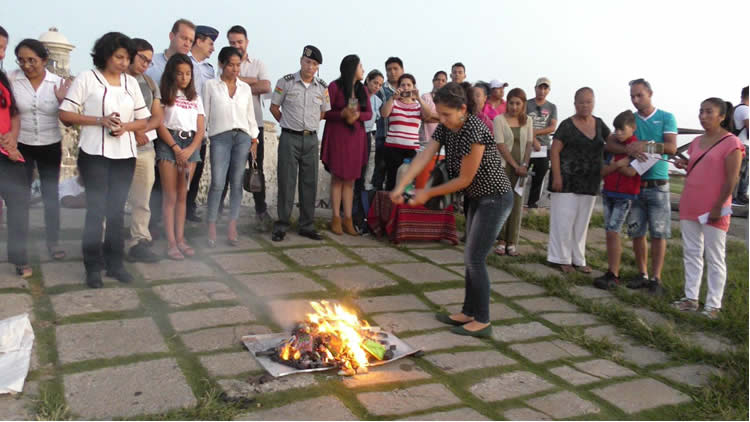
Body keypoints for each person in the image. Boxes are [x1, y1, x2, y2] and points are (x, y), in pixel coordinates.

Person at [390, 82, 513, 337]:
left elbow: (464, 179)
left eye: (446, 114)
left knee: (475, 258)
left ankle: (483, 320)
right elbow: (424, 156)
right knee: (470, 256)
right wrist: (402, 184)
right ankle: (468, 312)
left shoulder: (475, 129)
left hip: (496, 198)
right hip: (477, 198)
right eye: (440, 113)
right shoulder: (448, 128)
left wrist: (427, 193)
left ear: (463, 109)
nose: (442, 119)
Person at [58, 32, 150, 288]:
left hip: (125, 154)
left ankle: (115, 263)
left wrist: (127, 127)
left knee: (117, 210)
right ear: (105, 54)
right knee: (96, 210)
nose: (123, 62)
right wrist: (100, 120)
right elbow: (65, 113)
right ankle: (92, 265)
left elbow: (144, 119)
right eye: (118, 57)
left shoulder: (131, 83)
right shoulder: (88, 78)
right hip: (94, 153)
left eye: (126, 58)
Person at [672, 98, 743, 319]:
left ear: (722, 116)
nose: (703, 116)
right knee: (692, 253)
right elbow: (699, 165)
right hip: (690, 202)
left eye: (709, 112)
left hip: (714, 207)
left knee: (714, 256)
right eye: (701, 111)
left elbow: (732, 178)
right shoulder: (696, 141)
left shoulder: (731, 143)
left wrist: (718, 205)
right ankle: (690, 298)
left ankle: (713, 304)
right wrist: (685, 164)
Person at [606, 79, 677, 295]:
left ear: (650, 94)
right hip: (634, 184)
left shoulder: (666, 117)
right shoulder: (630, 119)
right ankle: (642, 273)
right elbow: (609, 143)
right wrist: (628, 149)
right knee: (637, 231)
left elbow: (672, 147)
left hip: (658, 183)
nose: (636, 100)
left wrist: (645, 145)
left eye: (640, 95)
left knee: (658, 233)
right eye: (632, 96)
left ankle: (656, 278)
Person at [10, 38, 69, 260]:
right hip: (21, 144)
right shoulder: (12, 79)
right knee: (20, 196)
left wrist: (64, 102)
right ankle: (19, 244)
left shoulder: (57, 83)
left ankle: (53, 241)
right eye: (21, 60)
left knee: (50, 195)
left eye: (32, 60)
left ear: (44, 60)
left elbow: (69, 120)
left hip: (49, 144)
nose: (26, 65)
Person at [269, 45, 330, 242]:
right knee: (286, 181)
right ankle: (282, 224)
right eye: (307, 62)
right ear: (301, 61)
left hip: (311, 139)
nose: (310, 66)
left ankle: (307, 225)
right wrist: (287, 125)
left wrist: (307, 126)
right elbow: (274, 107)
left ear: (318, 67)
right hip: (289, 138)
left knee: (309, 182)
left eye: (314, 64)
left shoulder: (322, 87)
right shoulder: (285, 82)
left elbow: (323, 113)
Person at [548, 87, 610, 273]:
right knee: (563, 221)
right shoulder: (567, 125)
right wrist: (557, 176)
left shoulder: (600, 124)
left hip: (590, 181)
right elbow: (554, 151)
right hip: (566, 179)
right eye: (581, 102)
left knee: (582, 223)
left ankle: (578, 258)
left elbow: (613, 142)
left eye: (589, 101)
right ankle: (561, 257)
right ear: (575, 104)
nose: (585, 105)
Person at [203, 47, 259, 247]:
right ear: (222, 64)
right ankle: (211, 224)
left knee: (237, 182)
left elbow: (250, 115)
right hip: (220, 136)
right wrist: (202, 136)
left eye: (238, 65)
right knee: (218, 182)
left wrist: (255, 138)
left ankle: (232, 225)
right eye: (231, 65)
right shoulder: (210, 85)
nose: (235, 69)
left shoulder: (244, 88)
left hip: (242, 136)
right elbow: (205, 114)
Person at [145, 18, 196, 236]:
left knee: (180, 192)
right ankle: (153, 228)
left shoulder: (191, 66)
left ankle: (176, 234)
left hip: (185, 138)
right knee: (155, 186)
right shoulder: (152, 63)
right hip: (152, 130)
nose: (187, 43)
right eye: (184, 38)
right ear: (172, 36)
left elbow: (195, 107)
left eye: (191, 40)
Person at [156, 54, 204, 260]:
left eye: (188, 74)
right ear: (171, 74)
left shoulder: (195, 97)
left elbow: (201, 128)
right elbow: (159, 124)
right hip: (169, 145)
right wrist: (175, 147)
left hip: (190, 145)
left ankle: (181, 238)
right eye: (180, 73)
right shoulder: (164, 94)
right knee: (170, 197)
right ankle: (171, 242)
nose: (184, 78)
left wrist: (191, 148)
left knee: (183, 194)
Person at [225, 25, 273, 230]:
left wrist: (238, 82)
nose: (236, 46)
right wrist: (251, 83)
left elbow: (266, 86)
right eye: (232, 43)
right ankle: (219, 212)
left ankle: (260, 211)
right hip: (231, 126)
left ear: (247, 42)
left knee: (256, 169)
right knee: (227, 170)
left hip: (254, 127)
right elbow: (224, 85)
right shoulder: (225, 64)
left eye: (239, 42)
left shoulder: (258, 64)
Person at [321, 54, 372, 236]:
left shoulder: (362, 89)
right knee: (337, 179)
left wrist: (358, 115)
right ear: (352, 68)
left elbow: (369, 113)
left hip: (355, 139)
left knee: (350, 180)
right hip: (338, 136)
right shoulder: (335, 87)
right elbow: (325, 112)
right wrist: (341, 113)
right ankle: (335, 218)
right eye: (360, 66)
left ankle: (348, 219)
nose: (363, 70)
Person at [124, 38, 163, 263]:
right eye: (142, 58)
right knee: (112, 196)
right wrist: (134, 131)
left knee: (142, 199)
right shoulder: (116, 80)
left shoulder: (148, 82)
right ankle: (103, 242)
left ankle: (139, 240)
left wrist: (143, 130)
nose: (145, 64)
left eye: (149, 61)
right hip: (118, 146)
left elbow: (157, 115)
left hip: (144, 147)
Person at [593, 111, 641, 289]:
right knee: (609, 232)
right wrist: (619, 164)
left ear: (632, 128)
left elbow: (632, 172)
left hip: (625, 195)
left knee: (613, 231)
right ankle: (611, 270)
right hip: (609, 192)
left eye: (622, 130)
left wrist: (616, 166)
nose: (618, 133)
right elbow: (604, 171)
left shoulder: (637, 149)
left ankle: (614, 273)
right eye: (616, 129)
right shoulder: (614, 146)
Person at [493, 88, 535, 256]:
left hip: (521, 168)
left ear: (523, 104)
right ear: (507, 103)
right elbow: (500, 145)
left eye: (518, 103)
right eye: (511, 103)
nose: (514, 107)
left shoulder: (528, 121)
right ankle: (501, 240)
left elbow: (529, 143)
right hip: (505, 166)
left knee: (517, 203)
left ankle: (512, 241)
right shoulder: (499, 120)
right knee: (502, 201)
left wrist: (524, 164)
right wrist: (515, 165)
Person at [0, 60, 32, 277]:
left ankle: (18, 256)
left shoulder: (3, 79)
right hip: (5, 148)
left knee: (19, 204)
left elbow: (14, 113)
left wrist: (12, 138)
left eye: (3, 48)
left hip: (7, 152)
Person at [185, 25, 218, 223]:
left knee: (196, 168)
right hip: (183, 124)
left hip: (201, 126)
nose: (212, 48)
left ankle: (190, 206)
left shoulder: (209, 70)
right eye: (210, 43)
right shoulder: (183, 63)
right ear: (198, 41)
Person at [381, 73, 434, 191]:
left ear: (413, 87)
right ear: (398, 87)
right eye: (403, 85)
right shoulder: (393, 102)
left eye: (409, 85)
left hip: (411, 149)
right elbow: (384, 114)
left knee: (407, 183)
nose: (405, 87)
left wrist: (419, 98)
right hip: (392, 147)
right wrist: (392, 98)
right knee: (392, 180)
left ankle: (403, 207)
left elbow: (428, 115)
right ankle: (391, 208)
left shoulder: (417, 106)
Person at [351, 69, 384, 233]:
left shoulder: (378, 101)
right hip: (354, 134)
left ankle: (360, 216)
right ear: (368, 81)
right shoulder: (356, 94)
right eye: (374, 82)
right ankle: (349, 215)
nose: (377, 86)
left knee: (364, 179)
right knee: (352, 176)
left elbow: (379, 119)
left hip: (368, 137)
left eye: (380, 84)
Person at [371, 57, 403, 191]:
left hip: (402, 139)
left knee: (397, 176)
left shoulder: (408, 89)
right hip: (384, 137)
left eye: (395, 69)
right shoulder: (380, 90)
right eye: (389, 69)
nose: (392, 72)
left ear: (402, 70)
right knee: (379, 174)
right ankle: (373, 208)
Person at [526, 77, 557, 208]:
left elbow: (552, 127)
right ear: (535, 88)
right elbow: (522, 123)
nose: (542, 90)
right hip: (527, 145)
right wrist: (532, 139)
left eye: (545, 88)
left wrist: (535, 133)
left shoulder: (551, 107)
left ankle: (532, 204)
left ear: (548, 90)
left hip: (544, 147)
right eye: (540, 87)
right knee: (521, 173)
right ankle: (515, 203)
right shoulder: (527, 104)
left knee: (540, 176)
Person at [414, 70, 447, 189]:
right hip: (425, 142)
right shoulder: (425, 97)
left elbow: (447, 119)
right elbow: (425, 117)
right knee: (424, 176)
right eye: (438, 79)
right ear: (433, 81)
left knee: (438, 176)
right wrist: (442, 118)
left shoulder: (447, 101)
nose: (440, 82)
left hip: (442, 145)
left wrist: (433, 115)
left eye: (443, 80)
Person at [731, 86, 748, 205]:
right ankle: (737, 198)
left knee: (736, 171)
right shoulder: (746, 110)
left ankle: (733, 197)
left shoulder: (735, 109)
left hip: (734, 144)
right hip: (743, 145)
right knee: (742, 172)